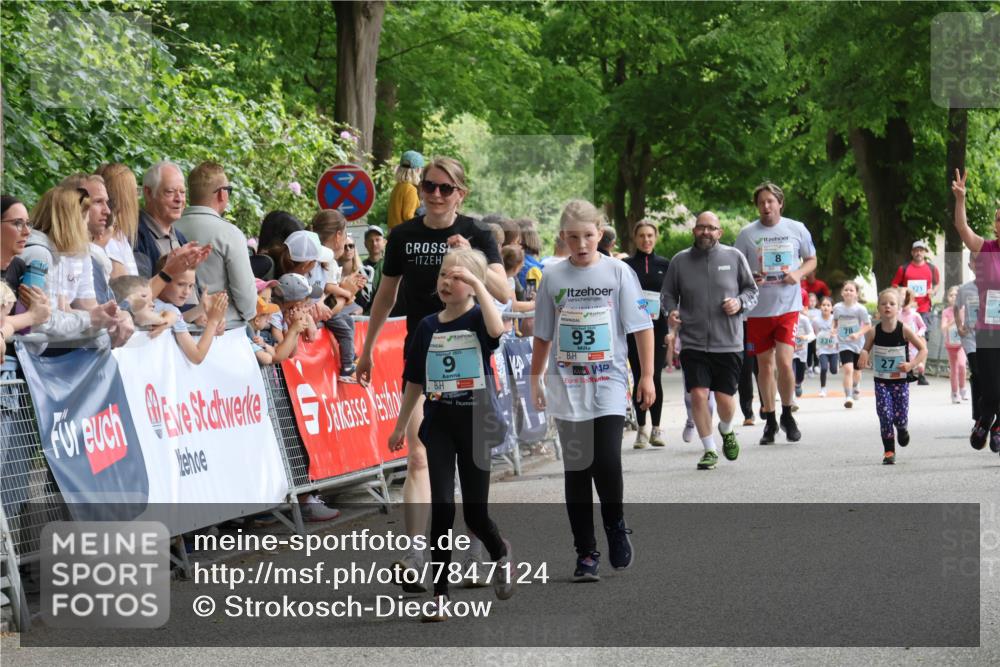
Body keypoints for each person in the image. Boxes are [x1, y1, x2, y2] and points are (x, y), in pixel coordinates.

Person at [356, 156, 507, 587]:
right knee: (419, 455)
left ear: (461, 193)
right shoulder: (404, 235)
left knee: (467, 464)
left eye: (445, 188)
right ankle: (416, 557)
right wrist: (366, 349)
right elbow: (385, 297)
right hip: (422, 353)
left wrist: (469, 259)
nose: (435, 195)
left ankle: (477, 545)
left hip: (469, 362)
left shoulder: (477, 233)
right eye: (428, 186)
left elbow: (504, 291)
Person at [531, 199, 655, 580]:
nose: (581, 244)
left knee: (605, 459)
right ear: (563, 238)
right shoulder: (553, 277)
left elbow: (641, 327)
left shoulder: (618, 273)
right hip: (567, 385)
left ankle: (616, 525)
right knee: (577, 470)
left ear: (600, 234)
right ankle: (586, 552)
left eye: (588, 236)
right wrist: (536, 377)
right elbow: (543, 334)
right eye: (573, 237)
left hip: (609, 380)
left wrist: (647, 375)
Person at [389, 248, 514, 621]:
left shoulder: (479, 317)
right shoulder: (428, 326)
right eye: (444, 275)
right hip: (440, 424)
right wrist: (400, 423)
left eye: (457, 277)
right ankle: (440, 596)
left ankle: (500, 553)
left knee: (475, 514)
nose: (446, 282)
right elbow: (414, 379)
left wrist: (478, 282)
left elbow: (496, 330)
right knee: (443, 507)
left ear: (472, 285)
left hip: (476, 424)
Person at [662, 211, 759, 470]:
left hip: (728, 341)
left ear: (720, 232)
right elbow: (668, 294)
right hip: (693, 341)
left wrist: (739, 303)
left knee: (726, 399)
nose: (706, 232)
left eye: (711, 228)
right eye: (701, 227)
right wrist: (671, 311)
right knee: (698, 394)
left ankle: (726, 430)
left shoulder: (734, 257)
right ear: (694, 230)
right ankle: (709, 450)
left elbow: (752, 291)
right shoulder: (680, 261)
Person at [735, 182, 816, 444]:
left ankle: (788, 413)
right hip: (758, 309)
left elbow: (811, 259)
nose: (766, 206)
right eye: (761, 202)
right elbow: (738, 269)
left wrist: (797, 274)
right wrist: (750, 279)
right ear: (757, 206)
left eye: (771, 201)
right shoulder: (747, 234)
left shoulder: (796, 229)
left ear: (780, 203)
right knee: (764, 366)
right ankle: (769, 420)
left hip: (788, 307)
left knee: (784, 361)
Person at [21, 185, 133, 344]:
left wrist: (115, 316)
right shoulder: (40, 255)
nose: (85, 231)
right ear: (71, 223)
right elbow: (43, 322)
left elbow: (63, 313)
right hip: (28, 357)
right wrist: (90, 318)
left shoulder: (55, 253)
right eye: (84, 221)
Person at [951, 169, 1000, 452]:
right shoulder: (985, 249)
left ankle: (991, 424)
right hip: (990, 331)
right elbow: (962, 230)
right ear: (995, 225)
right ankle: (986, 418)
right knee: (992, 389)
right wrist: (960, 200)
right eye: (998, 219)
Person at [175, 161, 256, 329]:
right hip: (223, 329)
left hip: (176, 327)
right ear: (222, 194)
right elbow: (246, 299)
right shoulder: (230, 234)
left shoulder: (170, 227)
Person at [858, 288, 927, 464]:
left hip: (900, 381)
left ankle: (902, 428)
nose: (887, 306)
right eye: (883, 303)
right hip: (881, 381)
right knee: (885, 414)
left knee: (900, 416)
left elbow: (923, 349)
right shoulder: (874, 331)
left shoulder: (904, 330)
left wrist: (911, 365)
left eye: (892, 303)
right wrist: (864, 353)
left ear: (898, 308)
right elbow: (866, 347)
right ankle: (889, 451)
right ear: (878, 309)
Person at [623, 220, 670, 448]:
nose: (646, 240)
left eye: (650, 235)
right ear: (635, 238)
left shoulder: (665, 264)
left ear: (656, 237)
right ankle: (641, 428)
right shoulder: (626, 265)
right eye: (641, 236)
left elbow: (671, 295)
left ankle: (657, 429)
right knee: (640, 375)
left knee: (655, 377)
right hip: (633, 329)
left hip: (658, 328)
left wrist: (672, 320)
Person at [151, 259, 228, 364]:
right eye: (180, 284)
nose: (187, 292)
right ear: (164, 281)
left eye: (191, 286)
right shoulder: (171, 310)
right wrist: (213, 322)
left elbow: (179, 319)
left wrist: (201, 308)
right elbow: (197, 356)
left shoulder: (146, 301)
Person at [135, 161, 191, 280]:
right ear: (148, 193)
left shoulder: (180, 238)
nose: (179, 199)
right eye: (170, 192)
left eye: (182, 192)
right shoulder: (136, 237)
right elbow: (141, 293)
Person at [97, 163, 141, 277]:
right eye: (135, 192)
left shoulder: (119, 236)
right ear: (124, 198)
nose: (137, 199)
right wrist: (167, 273)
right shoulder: (107, 241)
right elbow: (128, 292)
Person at [833, 281, 871, 409]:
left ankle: (856, 385)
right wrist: (834, 330)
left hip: (858, 344)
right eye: (846, 290)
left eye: (851, 290)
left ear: (856, 294)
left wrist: (858, 334)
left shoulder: (860, 309)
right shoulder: (837, 307)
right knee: (848, 369)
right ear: (842, 293)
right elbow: (836, 321)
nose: (848, 292)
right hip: (844, 343)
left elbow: (868, 325)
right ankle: (848, 397)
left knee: (857, 371)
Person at [890, 240, 940, 330]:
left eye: (921, 250)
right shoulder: (903, 268)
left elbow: (937, 284)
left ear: (925, 252)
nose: (919, 253)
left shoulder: (932, 268)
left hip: (925, 308)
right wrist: (903, 290)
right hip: (907, 308)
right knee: (906, 335)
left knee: (923, 335)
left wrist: (933, 291)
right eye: (916, 251)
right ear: (912, 253)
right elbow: (894, 285)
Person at [956, 258, 982, 427]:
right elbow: (956, 308)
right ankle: (978, 418)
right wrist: (959, 326)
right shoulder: (965, 289)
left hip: (993, 338)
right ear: (970, 265)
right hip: (971, 338)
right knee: (977, 374)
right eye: (976, 261)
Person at [108, 275, 177, 338]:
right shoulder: (116, 318)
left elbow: (174, 314)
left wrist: (167, 321)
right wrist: (162, 321)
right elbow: (143, 317)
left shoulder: (146, 318)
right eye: (144, 296)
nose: (152, 304)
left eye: (151, 299)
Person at [940, 285, 969, 404]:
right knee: (954, 370)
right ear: (948, 298)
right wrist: (954, 320)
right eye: (951, 295)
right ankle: (954, 393)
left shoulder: (965, 310)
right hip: (950, 344)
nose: (954, 297)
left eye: (956, 295)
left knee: (962, 365)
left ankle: (963, 388)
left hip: (962, 343)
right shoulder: (946, 312)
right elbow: (943, 327)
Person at [387, 150, 424, 229]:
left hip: (393, 233)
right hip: (403, 236)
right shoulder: (410, 189)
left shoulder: (398, 186)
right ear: (417, 170)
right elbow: (408, 216)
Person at [812, 296, 839, 397]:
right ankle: (823, 389)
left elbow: (839, 332)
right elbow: (815, 332)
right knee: (823, 368)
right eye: (823, 305)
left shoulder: (835, 319)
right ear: (820, 307)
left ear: (832, 308)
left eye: (828, 305)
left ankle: (836, 362)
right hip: (822, 349)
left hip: (834, 349)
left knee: (833, 371)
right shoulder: (816, 320)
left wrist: (834, 334)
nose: (826, 307)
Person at [358, 225, 386, 314]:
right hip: (365, 316)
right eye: (370, 240)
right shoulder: (360, 267)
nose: (374, 243)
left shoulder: (391, 265)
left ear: (384, 242)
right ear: (365, 244)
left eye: (377, 239)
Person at [792, 305, 815, 404]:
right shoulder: (784, 318)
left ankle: (798, 384)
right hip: (789, 352)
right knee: (790, 373)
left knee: (800, 375)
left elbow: (812, 335)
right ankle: (791, 400)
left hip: (802, 352)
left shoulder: (804, 319)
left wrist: (804, 338)